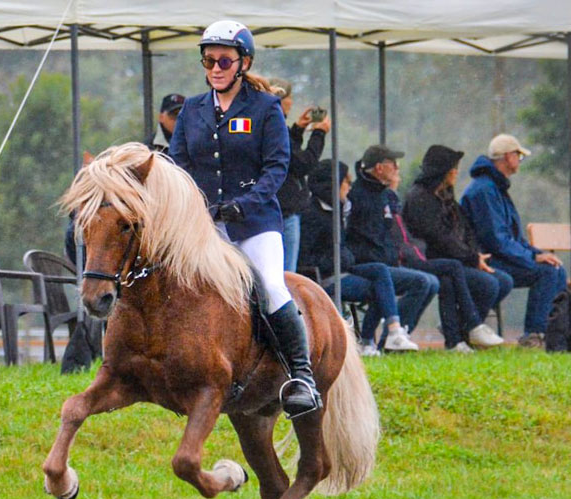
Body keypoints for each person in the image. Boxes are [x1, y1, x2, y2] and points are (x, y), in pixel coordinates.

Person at [169, 20, 319, 419]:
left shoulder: (265, 108)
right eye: (208, 60)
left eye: (223, 60)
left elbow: (276, 168)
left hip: (255, 224)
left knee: (269, 285)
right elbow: (178, 166)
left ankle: (302, 377)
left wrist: (245, 203)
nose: (215, 67)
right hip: (204, 227)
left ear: (242, 63)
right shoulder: (191, 110)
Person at [299, 159, 418, 356]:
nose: (349, 187)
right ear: (332, 184)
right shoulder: (313, 214)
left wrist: (345, 257)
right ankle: (367, 339)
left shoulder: (338, 211)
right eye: (346, 182)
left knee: (380, 272)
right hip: (327, 277)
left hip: (345, 267)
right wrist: (338, 259)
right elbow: (306, 257)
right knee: (378, 289)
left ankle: (392, 330)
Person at [461, 134, 567, 348]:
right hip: (487, 261)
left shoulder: (496, 187)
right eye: (518, 155)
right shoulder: (484, 190)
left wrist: (537, 253)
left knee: (556, 268)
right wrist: (533, 257)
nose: (519, 160)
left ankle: (556, 335)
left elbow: (514, 238)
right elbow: (496, 241)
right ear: (508, 156)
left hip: (503, 257)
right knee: (546, 272)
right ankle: (534, 335)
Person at [403, 144, 514, 329]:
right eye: (452, 168)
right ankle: (467, 328)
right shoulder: (420, 198)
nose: (456, 172)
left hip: (458, 259)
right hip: (434, 260)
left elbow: (466, 229)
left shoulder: (445, 195)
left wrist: (475, 254)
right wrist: (471, 258)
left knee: (503, 281)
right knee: (488, 284)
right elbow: (439, 238)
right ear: (442, 171)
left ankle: (462, 327)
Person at [346, 145, 438, 346]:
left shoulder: (383, 195)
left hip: (383, 264)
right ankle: (385, 339)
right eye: (393, 164)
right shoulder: (358, 197)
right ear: (379, 168)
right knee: (419, 281)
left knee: (431, 282)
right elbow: (360, 239)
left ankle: (398, 335)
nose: (397, 168)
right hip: (364, 266)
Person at [269, 77, 329, 273]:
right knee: (286, 275)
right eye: (289, 97)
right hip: (284, 212)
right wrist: (318, 135)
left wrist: (297, 130)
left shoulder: (270, 127)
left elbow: (287, 156)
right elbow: (302, 164)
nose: (292, 102)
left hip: (276, 209)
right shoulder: (274, 129)